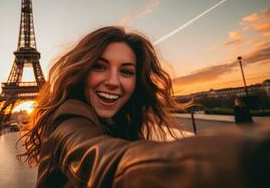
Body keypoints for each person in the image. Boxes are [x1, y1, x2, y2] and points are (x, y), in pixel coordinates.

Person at [19, 26, 270, 187]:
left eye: (126, 72)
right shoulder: (68, 117)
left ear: (136, 82)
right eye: (99, 66)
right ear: (82, 72)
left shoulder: (117, 123)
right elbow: (102, 160)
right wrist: (235, 160)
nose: (114, 81)